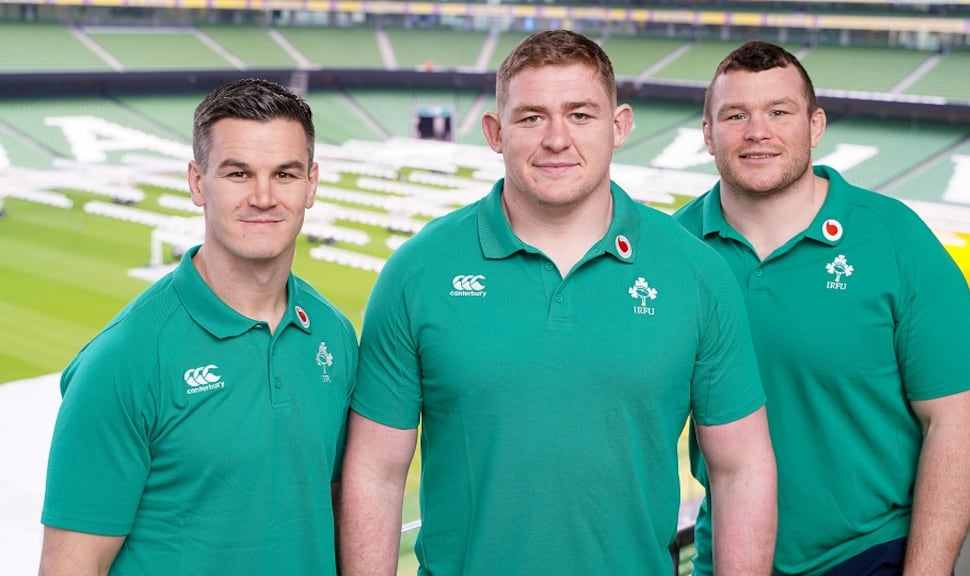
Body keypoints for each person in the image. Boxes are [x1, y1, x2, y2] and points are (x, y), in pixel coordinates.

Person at [339, 29, 777, 575]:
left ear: (620, 126)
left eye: (580, 114)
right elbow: (376, 475)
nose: (556, 139)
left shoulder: (698, 274)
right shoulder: (416, 272)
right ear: (495, 132)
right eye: (531, 117)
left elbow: (742, 469)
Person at [675, 40, 970, 576]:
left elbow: (956, 422)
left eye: (779, 112)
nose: (757, 131)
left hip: (870, 555)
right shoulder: (672, 252)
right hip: (726, 558)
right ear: (708, 134)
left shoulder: (896, 239)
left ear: (815, 125)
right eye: (735, 115)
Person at [38, 78, 358, 576]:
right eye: (237, 173)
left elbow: (335, 510)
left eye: (285, 174)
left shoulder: (333, 335)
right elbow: (71, 567)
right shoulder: (122, 360)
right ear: (196, 182)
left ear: (311, 184)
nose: (263, 197)